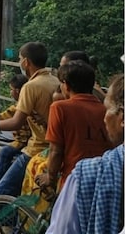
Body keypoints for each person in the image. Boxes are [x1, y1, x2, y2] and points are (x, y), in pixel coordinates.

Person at [0, 41, 59, 197]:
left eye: (20, 59)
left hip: (37, 148)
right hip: (54, 145)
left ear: (26, 62)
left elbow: (16, 121)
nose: (20, 62)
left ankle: (5, 220)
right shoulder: (55, 81)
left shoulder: (31, 86)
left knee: (2, 191)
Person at [46, 74, 124, 234]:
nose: (104, 118)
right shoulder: (94, 106)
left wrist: (50, 177)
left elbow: (55, 150)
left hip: (69, 178)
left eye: (108, 109)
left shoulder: (87, 175)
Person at [35, 60, 112, 190]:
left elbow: (56, 150)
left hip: (73, 180)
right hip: (104, 180)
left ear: (66, 85)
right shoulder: (107, 110)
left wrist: (50, 176)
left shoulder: (60, 108)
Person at [0, 74, 31, 181]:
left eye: (11, 89)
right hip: (26, 140)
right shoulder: (26, 103)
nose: (10, 92)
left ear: (17, 91)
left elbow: (3, 116)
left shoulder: (19, 107)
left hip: (24, 142)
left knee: (4, 152)